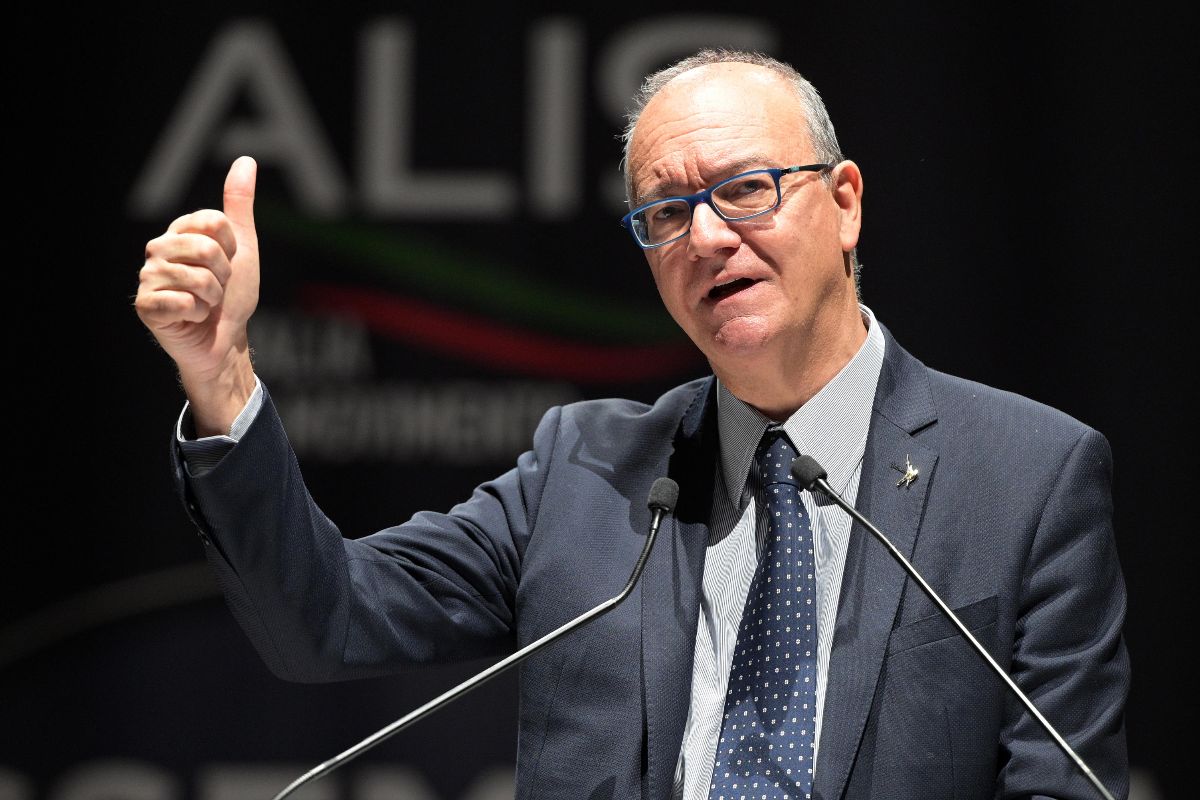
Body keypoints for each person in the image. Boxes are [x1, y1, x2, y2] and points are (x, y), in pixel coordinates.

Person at [136, 50, 1129, 799]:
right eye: (665, 213)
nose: (707, 236)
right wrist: (222, 373)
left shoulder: (1026, 477)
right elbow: (325, 617)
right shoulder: (584, 473)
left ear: (844, 203)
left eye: (745, 189)